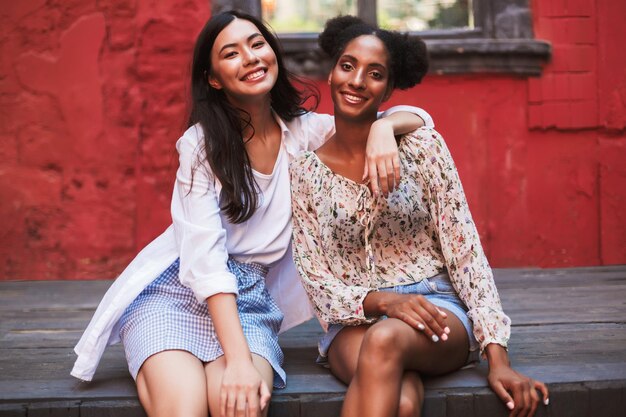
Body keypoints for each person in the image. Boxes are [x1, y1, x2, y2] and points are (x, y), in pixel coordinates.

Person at [71, 10, 434, 417]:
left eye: (257, 44)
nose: (250, 58)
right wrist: (239, 362)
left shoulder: (304, 133)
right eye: (231, 53)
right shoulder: (199, 146)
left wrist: (384, 129)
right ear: (212, 77)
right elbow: (205, 265)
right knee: (185, 408)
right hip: (179, 295)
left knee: (241, 408)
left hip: (250, 302)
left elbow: (420, 120)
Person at [290, 15, 550, 417]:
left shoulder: (422, 146)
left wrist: (498, 358)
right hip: (355, 317)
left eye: (374, 74)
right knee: (405, 403)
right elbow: (316, 279)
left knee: (385, 342)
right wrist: (384, 302)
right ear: (331, 73)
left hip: (437, 307)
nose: (357, 81)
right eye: (348, 65)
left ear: (389, 88)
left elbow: (466, 253)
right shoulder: (305, 171)